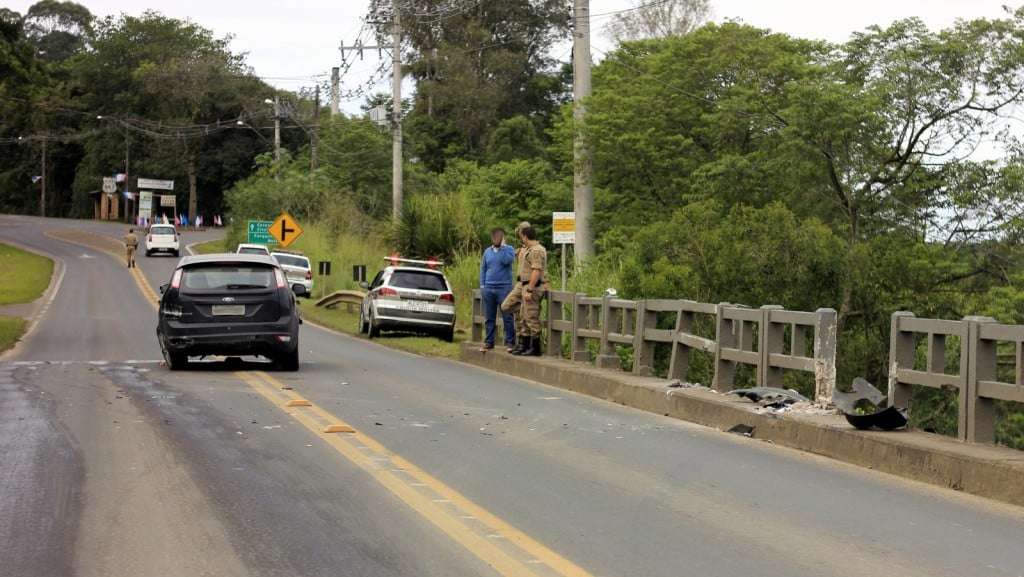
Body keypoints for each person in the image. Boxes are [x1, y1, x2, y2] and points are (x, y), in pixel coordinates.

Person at [478, 227, 515, 352]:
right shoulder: (487, 252)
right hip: (489, 288)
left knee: (507, 316)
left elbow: (507, 261)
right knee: (489, 317)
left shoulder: (509, 250)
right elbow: (483, 269)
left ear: (503, 238)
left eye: (499, 237)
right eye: (494, 237)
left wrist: (503, 247)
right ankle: (489, 342)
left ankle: (510, 342)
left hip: (504, 288)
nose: (496, 239)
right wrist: (482, 286)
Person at [512, 225, 547, 356]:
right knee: (524, 316)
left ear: (525, 236)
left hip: (532, 286)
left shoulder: (536, 250)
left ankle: (536, 347)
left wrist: (530, 289)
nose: (522, 240)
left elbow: (536, 271)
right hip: (525, 285)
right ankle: (524, 344)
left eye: (522, 237)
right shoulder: (529, 249)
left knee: (531, 317)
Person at [500, 221, 531, 353]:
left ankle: (524, 343)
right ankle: (520, 341)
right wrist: (504, 247)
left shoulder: (533, 248)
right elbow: (507, 258)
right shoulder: (521, 249)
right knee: (508, 307)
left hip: (527, 283)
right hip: (519, 283)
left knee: (524, 317)